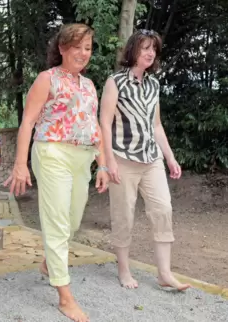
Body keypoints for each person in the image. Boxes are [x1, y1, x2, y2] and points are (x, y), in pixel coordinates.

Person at [4, 24, 109, 322]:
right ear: (62, 48)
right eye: (77, 46)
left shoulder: (89, 86)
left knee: (73, 221)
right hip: (52, 153)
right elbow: (27, 123)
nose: (83, 53)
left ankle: (50, 262)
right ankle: (65, 297)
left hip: (83, 157)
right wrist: (20, 164)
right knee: (58, 223)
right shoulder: (46, 79)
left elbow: (95, 127)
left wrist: (102, 163)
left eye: (87, 48)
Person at [100, 29, 190, 292]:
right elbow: (104, 123)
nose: (150, 53)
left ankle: (164, 273)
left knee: (163, 210)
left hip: (151, 160)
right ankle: (124, 270)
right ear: (133, 50)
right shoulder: (114, 82)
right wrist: (108, 162)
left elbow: (157, 125)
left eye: (154, 49)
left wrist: (170, 158)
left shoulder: (154, 84)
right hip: (123, 158)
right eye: (145, 47)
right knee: (123, 215)